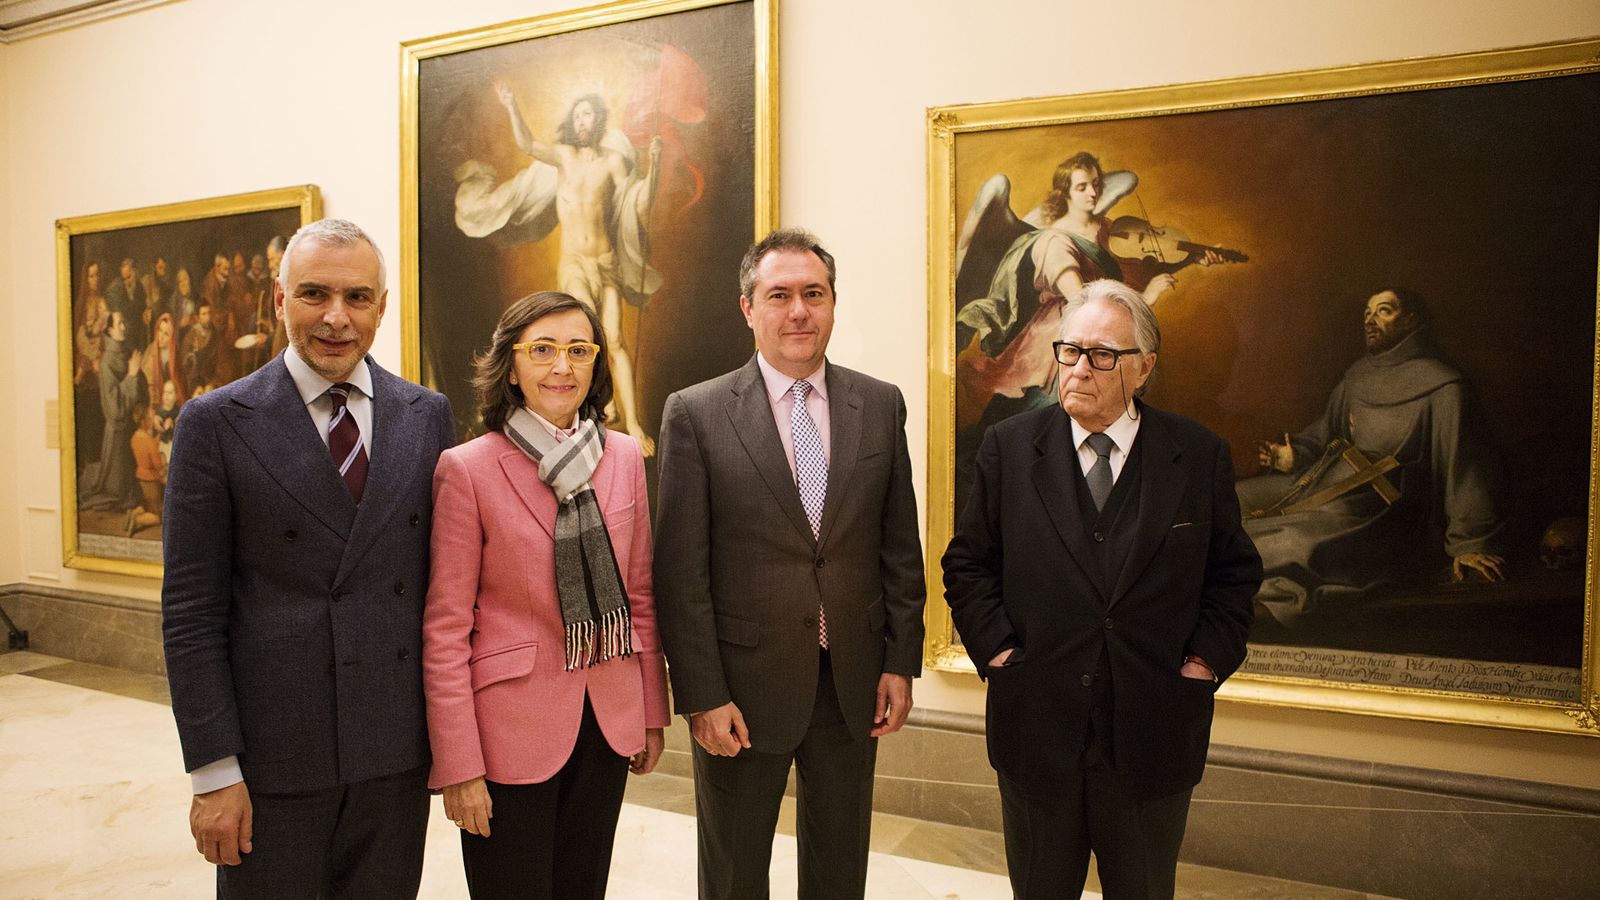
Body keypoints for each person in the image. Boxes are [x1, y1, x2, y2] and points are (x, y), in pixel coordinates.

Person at [161, 218, 455, 899]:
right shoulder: (217, 422)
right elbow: (191, 615)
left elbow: (443, 591)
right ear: (278, 299)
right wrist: (214, 773)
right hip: (272, 763)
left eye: (357, 298)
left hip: (392, 756)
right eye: (314, 293)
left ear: (382, 307)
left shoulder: (427, 415)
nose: (335, 318)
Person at [942, 279, 1261, 900]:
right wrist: (1002, 656)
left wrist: (1201, 665)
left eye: (1102, 355)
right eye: (1070, 351)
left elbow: (1232, 577)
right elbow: (969, 565)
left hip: (1153, 731)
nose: (1080, 369)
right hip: (1036, 728)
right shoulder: (1007, 449)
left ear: (1143, 369)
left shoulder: (1196, 456)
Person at [654, 228, 926, 899]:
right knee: (735, 870)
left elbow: (899, 548)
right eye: (779, 295)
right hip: (740, 692)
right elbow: (679, 572)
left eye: (814, 293)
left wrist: (899, 661)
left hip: (852, 681)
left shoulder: (881, 404)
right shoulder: (697, 413)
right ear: (748, 308)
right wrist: (702, 695)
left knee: (839, 868)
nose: (798, 310)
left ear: (834, 303)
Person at [423, 290, 669, 899]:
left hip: (606, 721)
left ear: (595, 363)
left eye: (578, 350)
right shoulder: (468, 468)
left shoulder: (622, 459)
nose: (562, 366)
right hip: (506, 732)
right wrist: (459, 765)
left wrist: (651, 713)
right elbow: (445, 628)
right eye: (542, 350)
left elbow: (640, 595)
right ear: (511, 366)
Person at [1239, 288, 1504, 625]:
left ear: (1410, 321)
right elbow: (1325, 435)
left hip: (1384, 506)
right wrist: (1293, 455)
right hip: (1327, 479)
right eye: (1367, 313)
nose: (1370, 320)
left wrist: (1470, 543)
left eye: (1383, 311)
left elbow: (1465, 469)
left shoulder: (1445, 386)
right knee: (1234, 499)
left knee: (1296, 539)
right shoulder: (1357, 377)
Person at [456, 85, 663, 453]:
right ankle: (597, 412)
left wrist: (657, 167)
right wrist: (511, 105)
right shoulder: (563, 157)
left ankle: (632, 424)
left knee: (614, 340)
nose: (585, 121)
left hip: (606, 261)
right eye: (579, 115)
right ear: (573, 121)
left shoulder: (611, 162)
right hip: (575, 263)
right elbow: (529, 146)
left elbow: (637, 204)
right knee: (585, 339)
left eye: (591, 115)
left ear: (599, 120)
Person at [80, 309, 144, 512]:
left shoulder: (125, 352)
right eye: (119, 324)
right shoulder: (108, 362)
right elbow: (115, 408)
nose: (124, 327)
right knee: (116, 492)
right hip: (117, 434)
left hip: (129, 429)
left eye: (124, 322)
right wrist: (131, 376)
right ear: (109, 330)